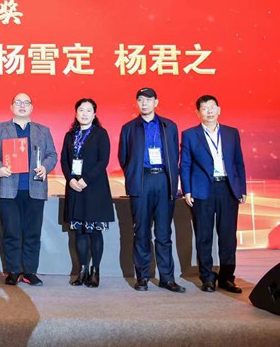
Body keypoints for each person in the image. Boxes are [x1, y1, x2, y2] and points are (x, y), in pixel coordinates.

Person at [118, 88, 185, 292]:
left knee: (164, 232)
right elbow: (123, 157)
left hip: (164, 180)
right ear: (137, 103)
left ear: (156, 102)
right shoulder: (129, 128)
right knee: (141, 232)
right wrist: (134, 173)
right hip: (142, 180)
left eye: (148, 100)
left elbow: (175, 155)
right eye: (140, 100)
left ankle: (167, 278)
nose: (144, 103)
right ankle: (143, 277)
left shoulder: (169, 126)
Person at [0, 93, 57, 286]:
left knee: (32, 233)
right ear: (11, 107)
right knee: (11, 232)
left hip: (35, 188)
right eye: (18, 102)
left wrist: (45, 167)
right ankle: (13, 271)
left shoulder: (43, 130)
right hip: (8, 189)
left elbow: (52, 154)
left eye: (26, 102)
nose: (22, 105)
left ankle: (30, 272)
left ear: (32, 107)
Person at [180, 95, 247, 293]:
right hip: (202, 190)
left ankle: (227, 278)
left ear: (219, 110)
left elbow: (238, 162)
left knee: (228, 236)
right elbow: (185, 164)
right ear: (198, 112)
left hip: (228, 188)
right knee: (204, 236)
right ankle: (207, 278)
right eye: (204, 108)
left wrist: (241, 188)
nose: (209, 111)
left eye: (212, 107)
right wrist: (187, 189)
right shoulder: (190, 134)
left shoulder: (231, 133)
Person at [60, 98, 114, 288]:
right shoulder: (70, 135)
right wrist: (70, 179)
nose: (84, 113)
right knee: (79, 232)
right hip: (75, 188)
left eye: (88, 110)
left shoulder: (100, 134)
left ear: (94, 114)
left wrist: (86, 180)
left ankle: (95, 271)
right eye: (81, 110)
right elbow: (64, 161)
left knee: (95, 232)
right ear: (76, 113)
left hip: (94, 189)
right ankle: (82, 271)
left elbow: (103, 161)